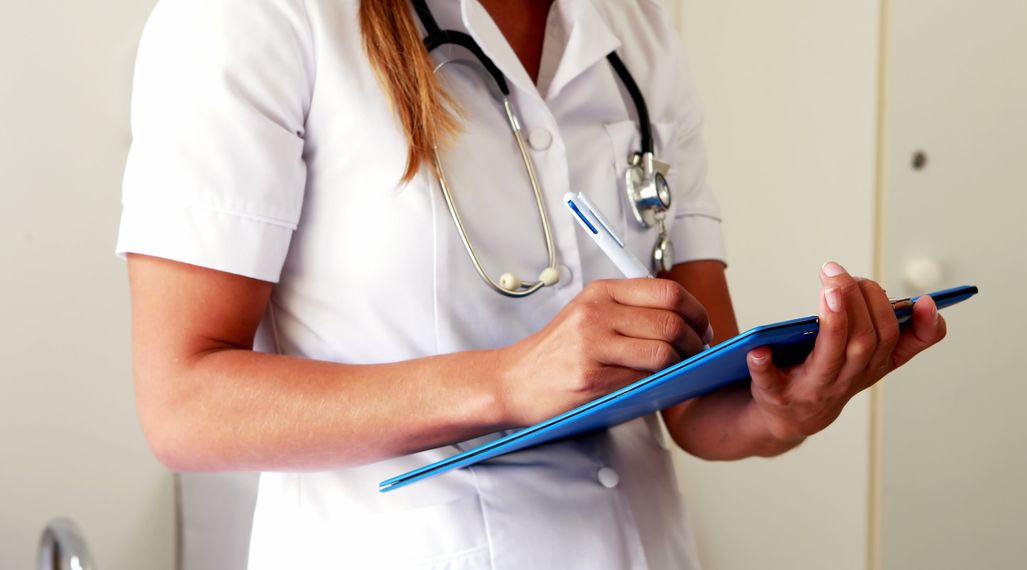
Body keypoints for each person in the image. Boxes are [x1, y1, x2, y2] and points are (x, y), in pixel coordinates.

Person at [117, 0, 948, 568]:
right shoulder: (251, 19)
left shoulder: (630, 24)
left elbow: (697, 400)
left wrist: (783, 406)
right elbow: (184, 404)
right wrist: (507, 381)